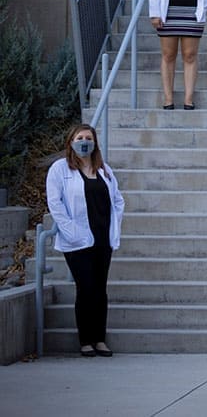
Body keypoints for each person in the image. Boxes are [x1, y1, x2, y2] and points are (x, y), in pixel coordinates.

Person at [45, 124, 125, 358]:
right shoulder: (60, 169)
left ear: (95, 142)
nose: (84, 141)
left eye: (88, 138)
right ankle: (86, 340)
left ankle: (100, 339)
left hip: (102, 238)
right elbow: (55, 203)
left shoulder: (103, 169)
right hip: (77, 240)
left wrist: (114, 225)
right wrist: (71, 230)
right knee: (86, 287)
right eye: (79, 138)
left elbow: (118, 200)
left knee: (100, 289)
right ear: (70, 141)